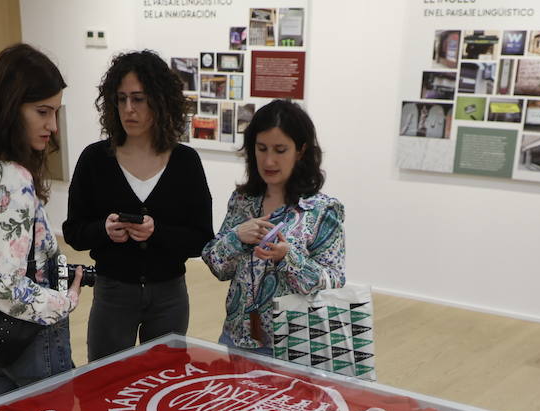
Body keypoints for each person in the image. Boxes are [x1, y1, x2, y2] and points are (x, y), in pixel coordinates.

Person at [0, 43, 83, 397]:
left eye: (55, 113)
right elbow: (2, 284)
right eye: (42, 112)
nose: (52, 126)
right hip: (29, 336)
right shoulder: (12, 178)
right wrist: (63, 301)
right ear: (10, 106)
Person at [64, 50, 213, 361]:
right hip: (113, 292)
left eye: (139, 99)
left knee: (164, 384)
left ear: (160, 101)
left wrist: (155, 233)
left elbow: (201, 238)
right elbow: (73, 231)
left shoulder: (186, 162)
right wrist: (104, 231)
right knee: (103, 386)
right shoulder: (95, 160)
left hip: (170, 294)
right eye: (121, 99)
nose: (128, 109)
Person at [202, 99, 345, 354]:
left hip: (297, 347)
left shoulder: (322, 210)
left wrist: (287, 257)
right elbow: (217, 265)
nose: (269, 161)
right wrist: (236, 238)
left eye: (280, 150)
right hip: (238, 339)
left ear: (300, 151)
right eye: (261, 148)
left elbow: (333, 279)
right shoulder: (243, 201)